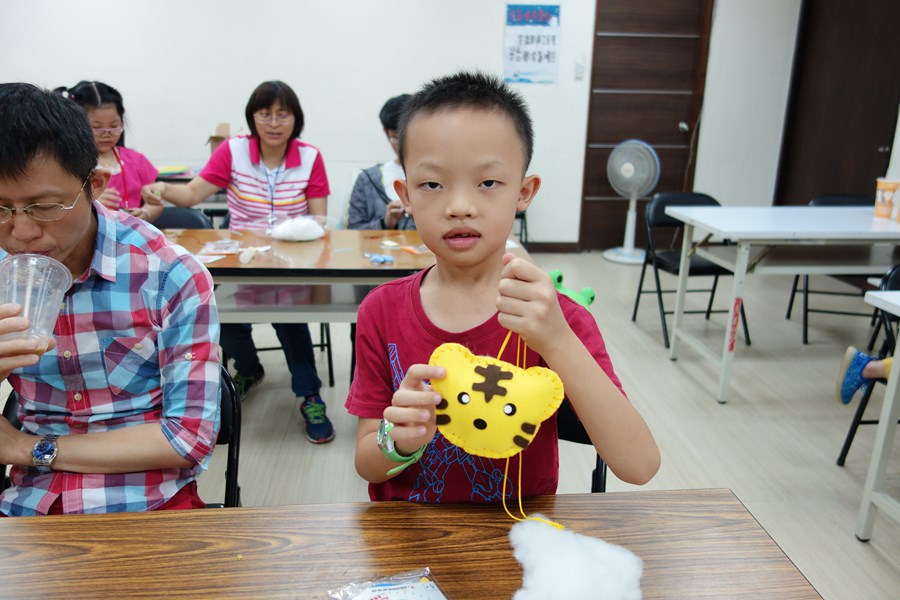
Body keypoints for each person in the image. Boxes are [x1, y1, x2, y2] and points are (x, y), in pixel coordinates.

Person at [345, 71, 660, 502]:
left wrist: (557, 341)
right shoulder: (381, 310)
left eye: (488, 183)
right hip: (409, 539)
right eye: (432, 184)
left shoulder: (556, 316)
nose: (459, 207)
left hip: (522, 538)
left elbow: (639, 466)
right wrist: (398, 442)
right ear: (406, 195)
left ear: (524, 191)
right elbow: (366, 462)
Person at [0, 83, 220, 516]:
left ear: (95, 184)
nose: (21, 233)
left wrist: (28, 448)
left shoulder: (168, 275)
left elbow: (188, 437)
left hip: (150, 500)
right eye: (0, 209)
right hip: (27, 504)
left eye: (45, 207)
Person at [142, 80, 334, 444]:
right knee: (223, 317)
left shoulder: (310, 156)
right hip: (240, 257)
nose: (274, 122)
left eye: (283, 114)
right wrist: (162, 188)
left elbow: (319, 220)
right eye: (265, 114)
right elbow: (191, 194)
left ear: (296, 119)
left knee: (291, 323)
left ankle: (309, 395)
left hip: (289, 261)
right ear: (253, 117)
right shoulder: (234, 151)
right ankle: (248, 368)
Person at [55, 81, 163, 223]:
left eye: (114, 126)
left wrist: (146, 212)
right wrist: (90, 202)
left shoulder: (137, 160)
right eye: (96, 127)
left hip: (132, 235)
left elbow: (156, 198)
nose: (107, 133)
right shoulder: (67, 164)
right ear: (75, 125)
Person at [347, 94, 415, 231]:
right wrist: (385, 223)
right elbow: (353, 230)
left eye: (407, 137)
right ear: (386, 133)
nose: (402, 145)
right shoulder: (367, 179)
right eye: (396, 138)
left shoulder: (436, 177)